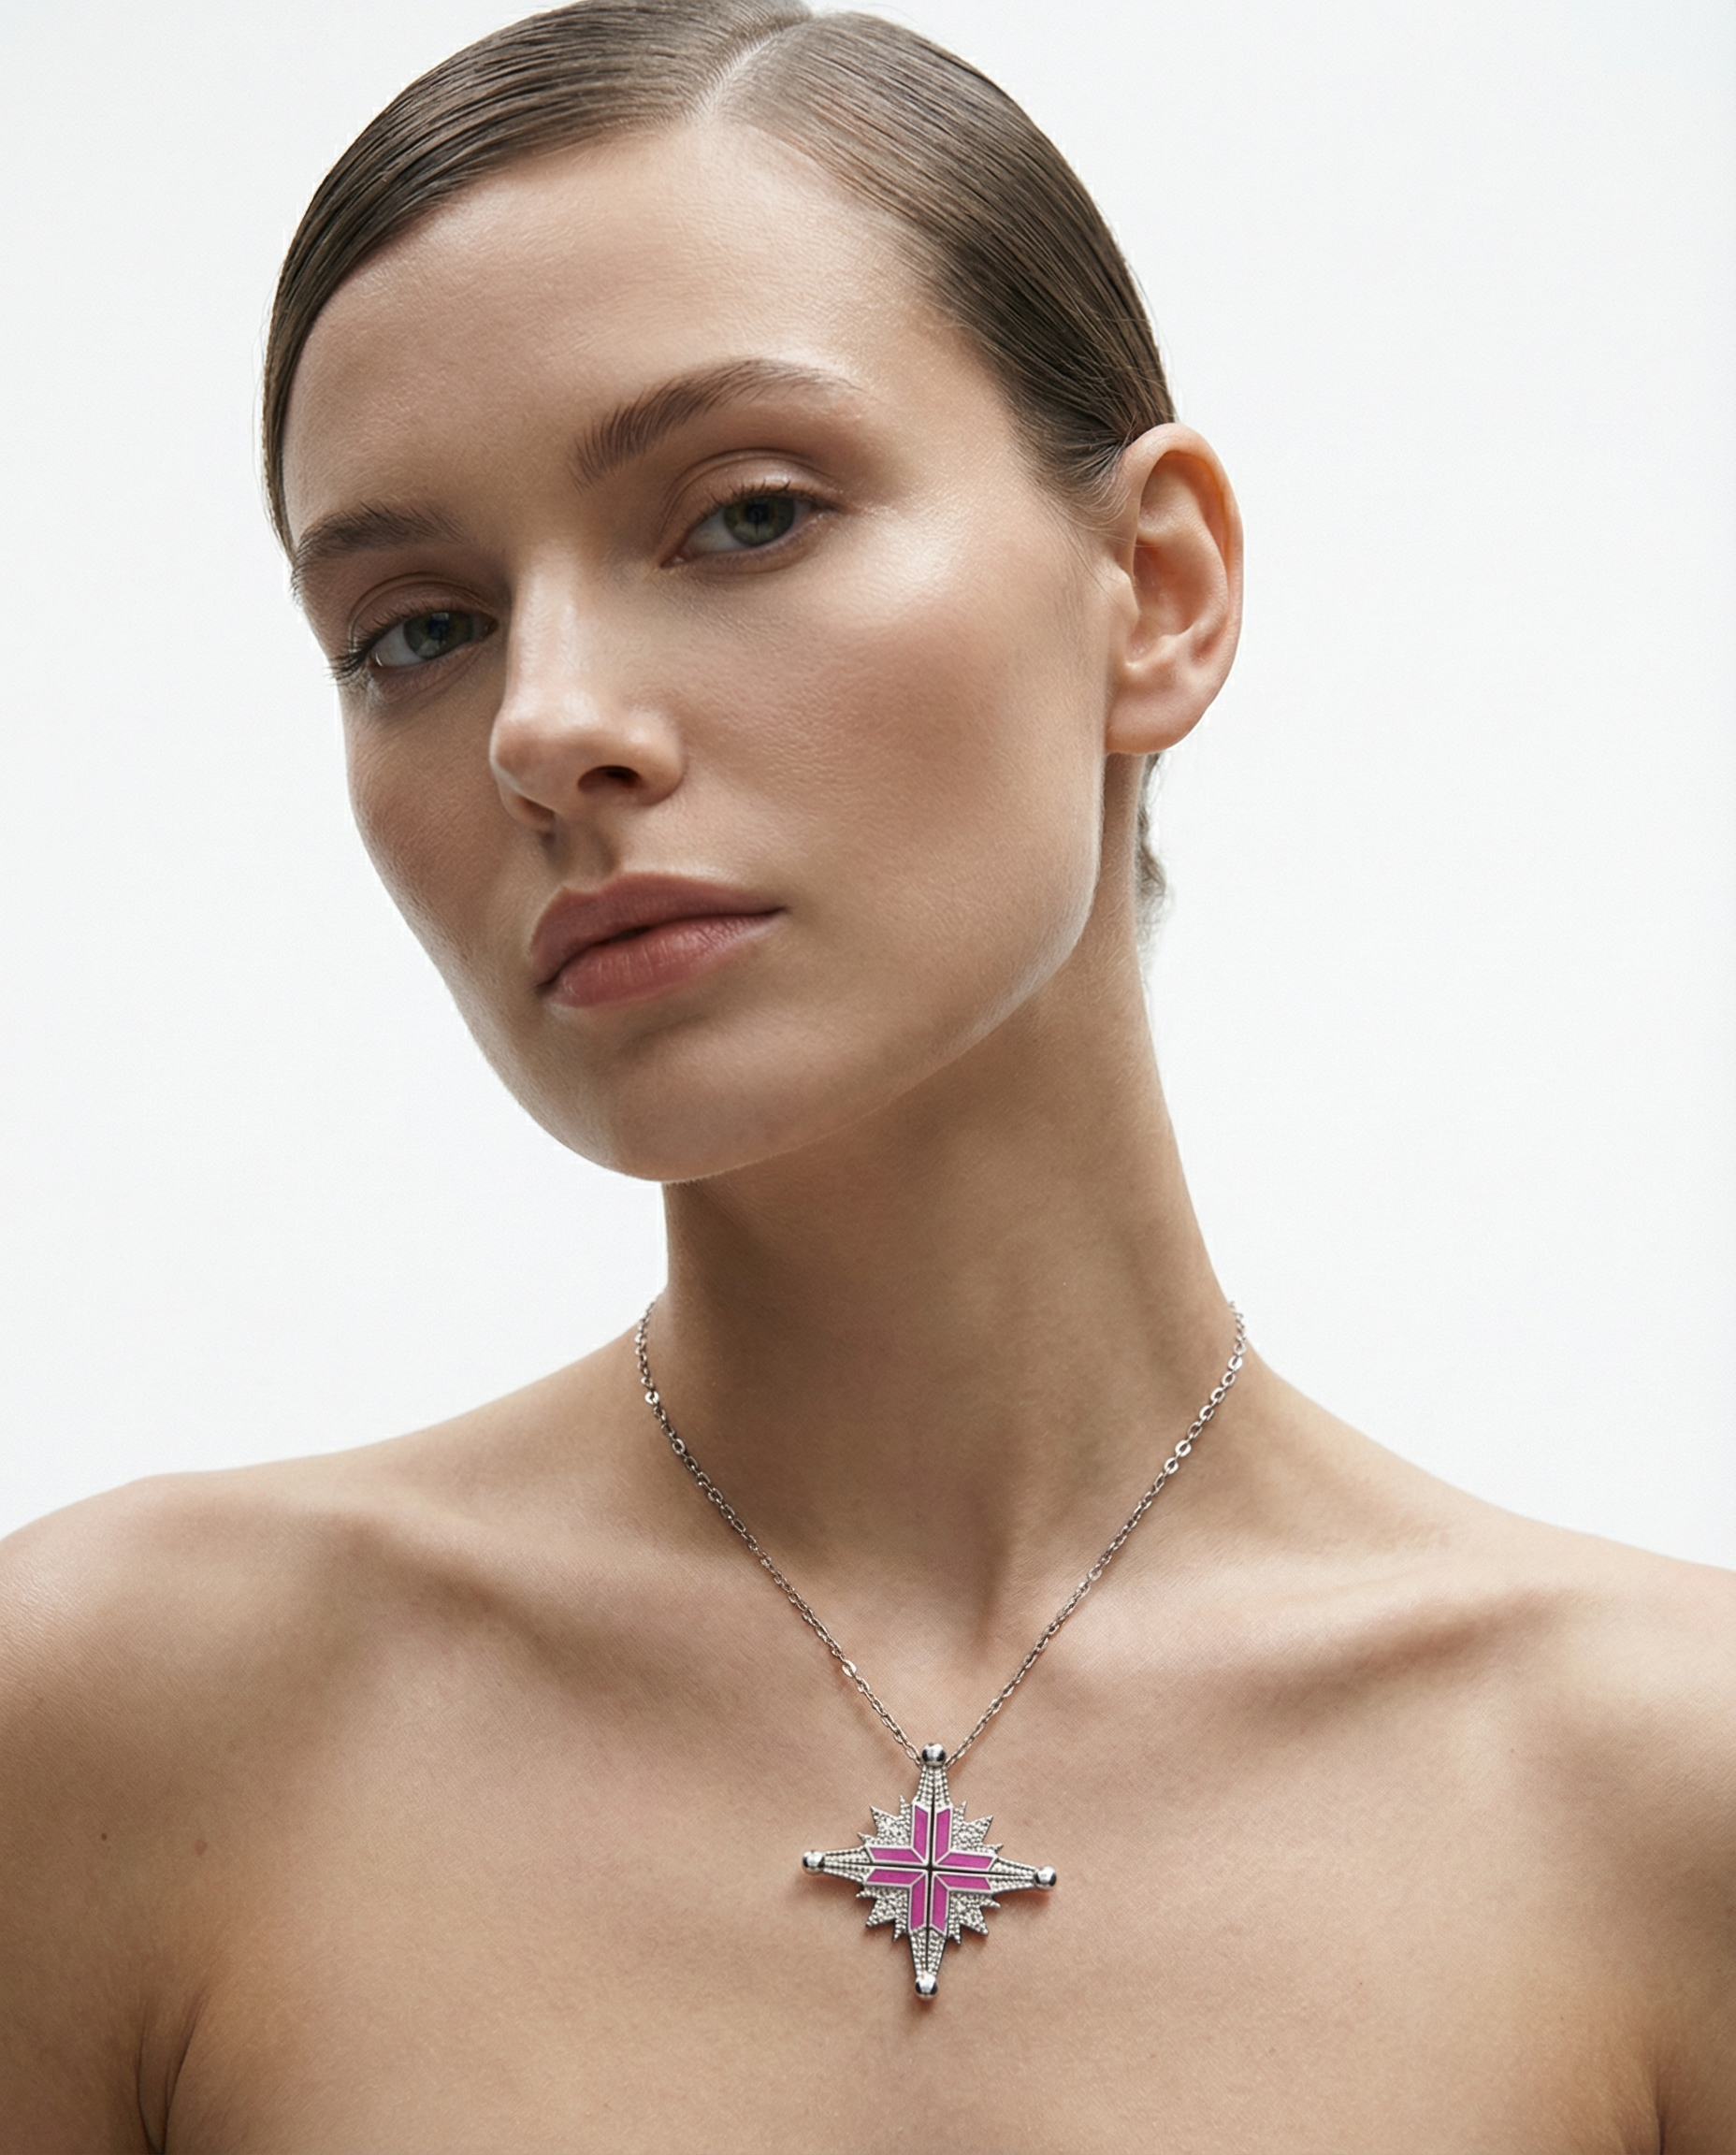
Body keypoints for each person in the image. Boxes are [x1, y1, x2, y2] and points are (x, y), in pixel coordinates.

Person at [1, 1, 1730, 2145]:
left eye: (742, 515)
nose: (545, 724)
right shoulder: (122, 1731)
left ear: (1155, 590)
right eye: (414, 629)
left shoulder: (1664, 1804)